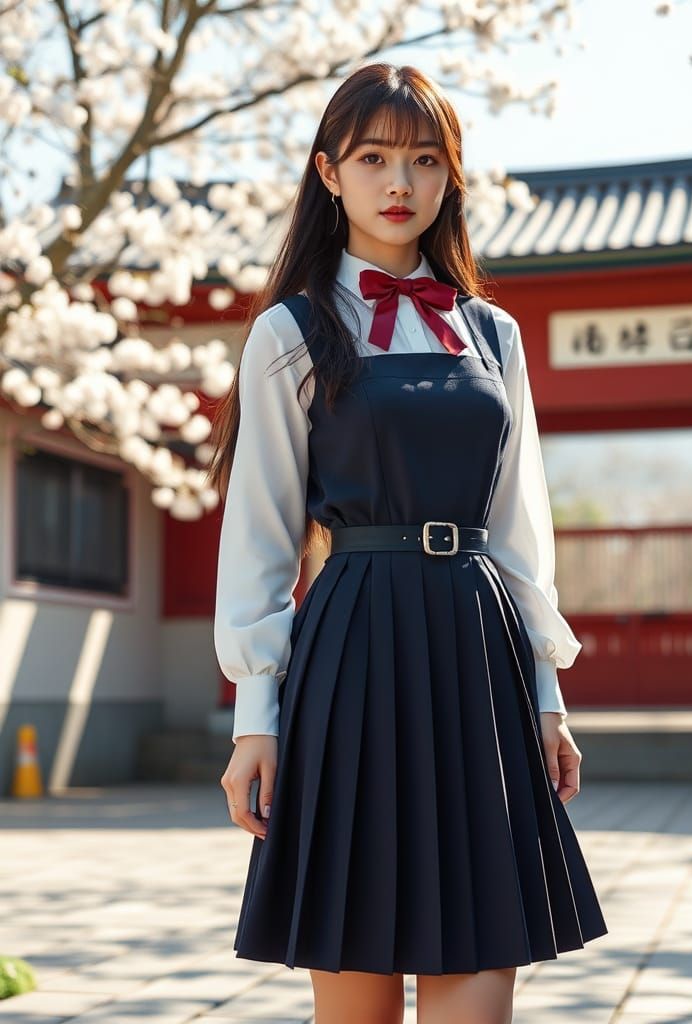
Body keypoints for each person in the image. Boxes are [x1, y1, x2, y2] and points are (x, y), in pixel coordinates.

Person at [207, 61, 608, 1024]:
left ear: (450, 178)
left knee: (483, 968)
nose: (400, 183)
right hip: (351, 654)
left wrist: (548, 698)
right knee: (357, 981)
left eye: (425, 160)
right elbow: (259, 538)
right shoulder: (291, 333)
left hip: (479, 653)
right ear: (328, 173)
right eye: (375, 157)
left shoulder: (493, 334)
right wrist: (254, 720)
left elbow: (520, 530)